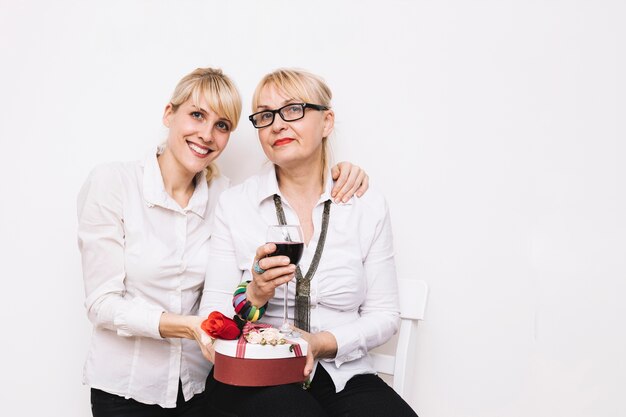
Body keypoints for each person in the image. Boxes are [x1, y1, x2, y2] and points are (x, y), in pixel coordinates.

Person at [77, 67, 369, 417]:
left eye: (222, 125)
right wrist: (188, 325)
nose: (206, 135)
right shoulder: (113, 184)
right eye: (197, 115)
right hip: (126, 391)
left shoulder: (225, 197)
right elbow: (102, 304)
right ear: (170, 114)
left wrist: (338, 171)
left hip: (200, 391)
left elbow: (238, 290)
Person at [199, 68, 418, 417]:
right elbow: (211, 320)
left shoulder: (365, 205)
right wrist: (253, 295)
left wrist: (322, 344)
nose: (277, 125)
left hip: (341, 373)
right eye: (266, 116)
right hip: (257, 372)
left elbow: (384, 315)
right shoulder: (236, 205)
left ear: (327, 121)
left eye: (293, 110)